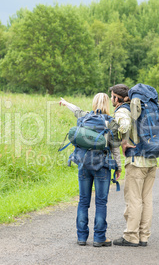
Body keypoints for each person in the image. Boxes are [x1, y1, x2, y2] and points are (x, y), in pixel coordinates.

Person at [59, 93, 121, 247]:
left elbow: (76, 110)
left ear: (94, 103)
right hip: (102, 167)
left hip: (84, 165)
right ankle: (99, 238)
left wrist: (66, 102)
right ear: (107, 104)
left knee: (83, 201)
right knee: (101, 202)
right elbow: (115, 148)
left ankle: (81, 237)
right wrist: (118, 167)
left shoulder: (85, 117)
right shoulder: (110, 122)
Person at [109, 84, 158, 247]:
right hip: (151, 159)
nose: (111, 99)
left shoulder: (123, 110)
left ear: (117, 98)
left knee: (134, 199)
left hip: (137, 162)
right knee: (147, 199)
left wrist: (123, 141)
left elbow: (124, 125)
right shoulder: (142, 107)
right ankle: (143, 236)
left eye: (112, 96)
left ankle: (131, 236)